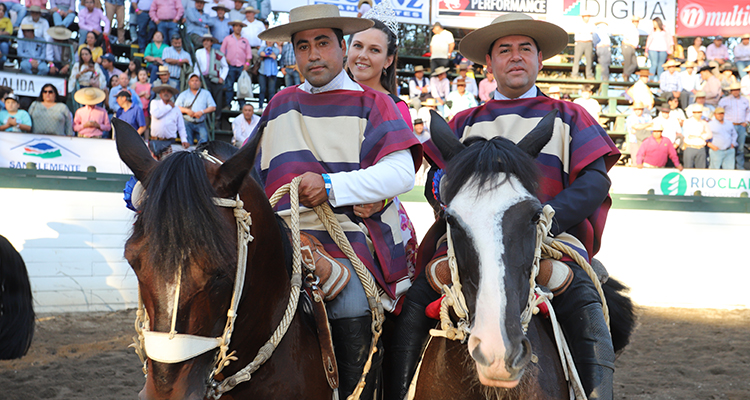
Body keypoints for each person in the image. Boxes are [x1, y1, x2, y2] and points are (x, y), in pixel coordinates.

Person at [427, 12, 620, 400]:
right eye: (505, 50)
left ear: (538, 60)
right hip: (470, 247)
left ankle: (597, 394)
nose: (515, 57)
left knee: (584, 297)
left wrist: (544, 219)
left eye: (525, 49)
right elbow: (436, 182)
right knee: (416, 297)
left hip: (552, 243)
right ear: (490, 62)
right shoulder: (462, 122)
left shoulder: (570, 116)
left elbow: (596, 180)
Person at [256, 5, 420, 399]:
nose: (313, 54)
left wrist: (330, 187)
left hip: (345, 240)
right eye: (303, 46)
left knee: (348, 298)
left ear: (341, 47)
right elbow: (244, 170)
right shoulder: (279, 103)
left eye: (323, 43)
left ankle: (355, 392)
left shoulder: (373, 103)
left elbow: (401, 173)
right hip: (281, 235)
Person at [175, 73, 216, 145]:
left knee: (204, 145)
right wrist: (187, 111)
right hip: (187, 121)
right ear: (189, 83)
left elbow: (213, 107)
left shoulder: (206, 93)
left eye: (196, 80)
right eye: (192, 80)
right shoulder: (184, 94)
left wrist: (202, 112)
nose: (194, 82)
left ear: (200, 82)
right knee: (188, 144)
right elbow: (176, 107)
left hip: (201, 121)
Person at [221, 20, 253, 109]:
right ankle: (228, 104)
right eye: (236, 26)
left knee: (241, 86)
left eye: (240, 26)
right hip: (230, 66)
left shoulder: (245, 41)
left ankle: (242, 105)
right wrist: (226, 60)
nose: (238, 28)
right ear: (233, 27)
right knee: (229, 86)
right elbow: (221, 52)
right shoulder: (227, 39)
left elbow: (248, 54)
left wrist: (247, 64)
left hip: (241, 67)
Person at [717, 82, 750, 169]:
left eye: (737, 90)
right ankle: (728, 166)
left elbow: (748, 112)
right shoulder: (724, 100)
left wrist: (746, 121)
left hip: (741, 125)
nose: (735, 92)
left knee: (740, 148)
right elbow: (719, 111)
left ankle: (740, 167)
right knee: (728, 145)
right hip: (729, 125)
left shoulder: (745, 100)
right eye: (734, 90)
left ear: (739, 90)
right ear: (731, 91)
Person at [194, 33, 228, 114]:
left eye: (208, 41)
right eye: (204, 41)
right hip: (204, 78)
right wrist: (197, 77)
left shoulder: (218, 53)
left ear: (211, 42)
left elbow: (225, 66)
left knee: (217, 99)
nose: (206, 42)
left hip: (216, 79)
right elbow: (197, 66)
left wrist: (222, 77)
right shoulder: (199, 52)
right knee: (205, 99)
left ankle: (217, 119)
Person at [149, 83, 188, 152]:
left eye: (168, 92)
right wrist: (169, 107)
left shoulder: (176, 109)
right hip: (156, 140)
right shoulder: (154, 103)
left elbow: (181, 126)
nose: (166, 93)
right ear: (160, 94)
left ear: (171, 95)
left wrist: (184, 140)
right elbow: (156, 114)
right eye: (163, 91)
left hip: (170, 141)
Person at [682, 103, 712, 168]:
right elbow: (687, 134)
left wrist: (701, 136)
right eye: (698, 112)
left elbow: (709, 135)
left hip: (701, 148)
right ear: (693, 113)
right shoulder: (687, 122)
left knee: (701, 169)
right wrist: (700, 135)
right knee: (688, 168)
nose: (700, 114)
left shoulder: (704, 123)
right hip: (690, 147)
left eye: (700, 112)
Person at [572, 11, 595, 80]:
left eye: (588, 16)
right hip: (580, 42)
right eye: (586, 16)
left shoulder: (591, 24)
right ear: (583, 17)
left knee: (589, 60)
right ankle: (574, 74)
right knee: (577, 59)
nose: (587, 18)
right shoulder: (578, 24)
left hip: (588, 43)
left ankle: (589, 75)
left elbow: (592, 32)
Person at [240, 5, 264, 71]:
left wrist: (262, 47)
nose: (247, 15)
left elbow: (264, 37)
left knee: (258, 67)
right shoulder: (242, 24)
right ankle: (248, 81)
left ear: (253, 14)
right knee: (247, 67)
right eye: (246, 13)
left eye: (249, 13)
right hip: (245, 50)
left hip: (257, 49)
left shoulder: (260, 24)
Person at [257, 40, 279, 109]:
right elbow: (260, 53)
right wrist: (269, 55)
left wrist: (265, 54)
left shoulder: (276, 49)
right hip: (262, 72)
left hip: (273, 73)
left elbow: (275, 54)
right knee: (262, 90)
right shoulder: (263, 48)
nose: (270, 41)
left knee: (271, 91)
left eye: (271, 40)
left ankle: (271, 108)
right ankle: (260, 107)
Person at [622, 16, 641, 81]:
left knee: (634, 63)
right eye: (635, 21)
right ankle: (626, 76)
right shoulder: (629, 27)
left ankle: (626, 74)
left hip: (632, 47)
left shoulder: (635, 29)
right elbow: (626, 36)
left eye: (637, 21)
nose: (636, 23)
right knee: (628, 62)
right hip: (628, 46)